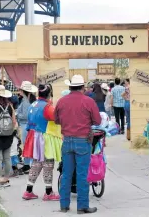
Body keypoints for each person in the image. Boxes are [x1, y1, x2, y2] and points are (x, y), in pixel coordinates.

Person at [55, 75, 101, 214]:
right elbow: (97, 120)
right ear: (82, 87)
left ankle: (64, 205)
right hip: (83, 140)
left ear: (70, 87)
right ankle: (82, 206)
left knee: (66, 174)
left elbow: (56, 120)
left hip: (67, 140)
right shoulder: (88, 101)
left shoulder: (61, 101)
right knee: (82, 174)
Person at [22, 84, 61, 201]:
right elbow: (57, 118)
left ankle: (28, 190)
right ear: (49, 94)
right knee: (48, 163)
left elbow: (28, 123)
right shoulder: (47, 107)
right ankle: (48, 192)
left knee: (36, 163)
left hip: (33, 136)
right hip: (44, 137)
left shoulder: (32, 105)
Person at [17, 81, 38, 173]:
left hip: (25, 125)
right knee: (30, 145)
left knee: (27, 145)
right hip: (31, 125)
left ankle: (27, 165)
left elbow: (25, 116)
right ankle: (29, 164)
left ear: (23, 91)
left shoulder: (25, 101)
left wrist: (16, 114)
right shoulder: (30, 100)